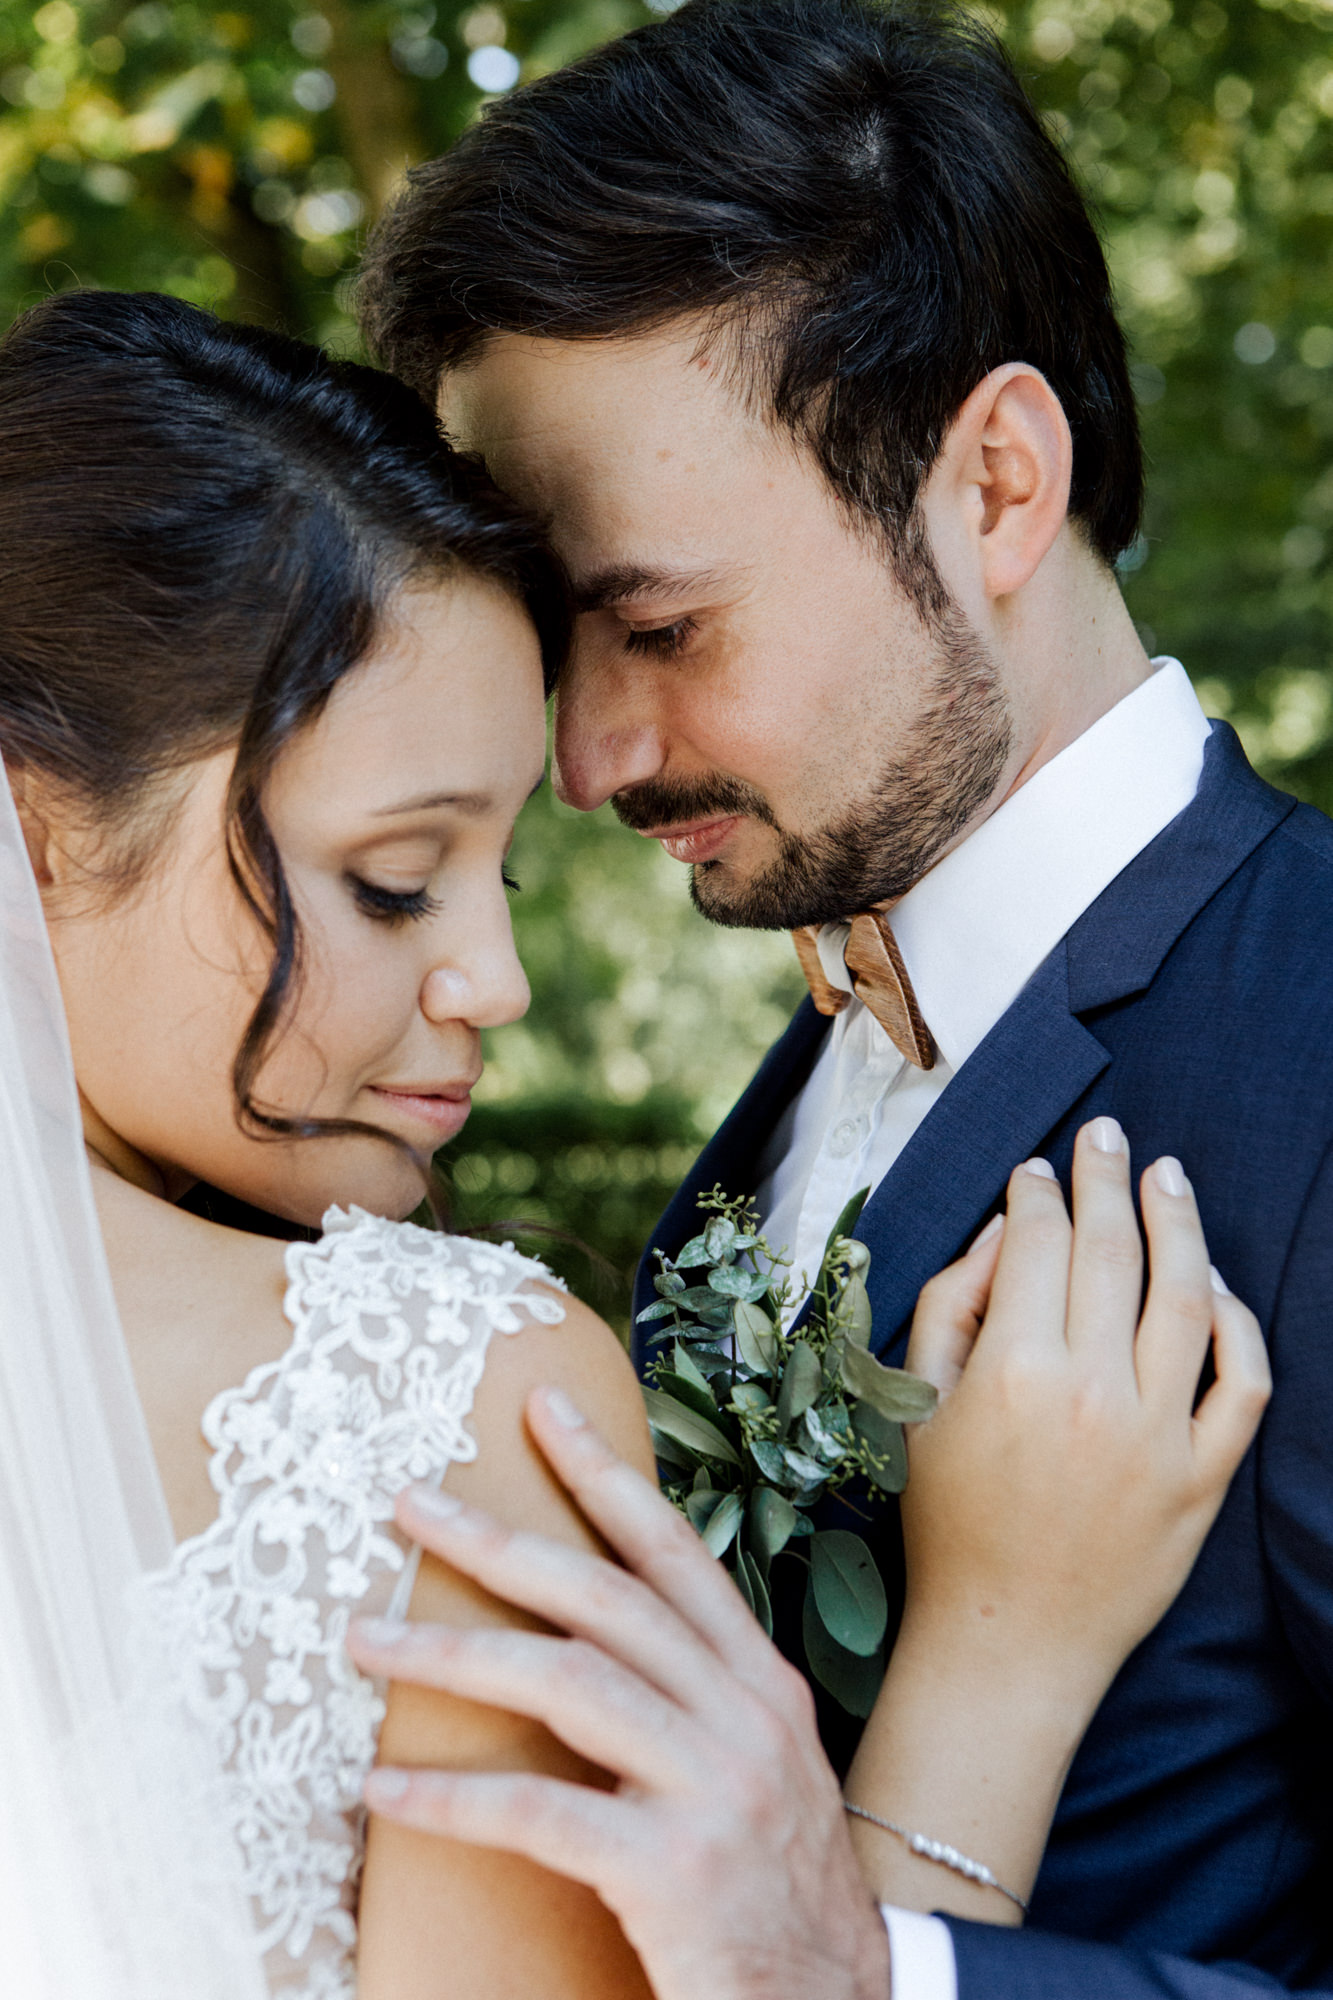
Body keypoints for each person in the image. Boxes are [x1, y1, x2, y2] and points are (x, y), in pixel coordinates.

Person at [0, 283, 1257, 2000]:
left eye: (493, 871)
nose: (497, 983)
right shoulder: (432, 1400)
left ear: (999, 484)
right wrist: (992, 1665)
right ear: (31, 833)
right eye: (392, 880)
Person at [354, 1, 1333, 1995]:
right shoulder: (809, 1052)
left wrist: (875, 1973)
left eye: (657, 625)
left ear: (990, 485)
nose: (593, 758)